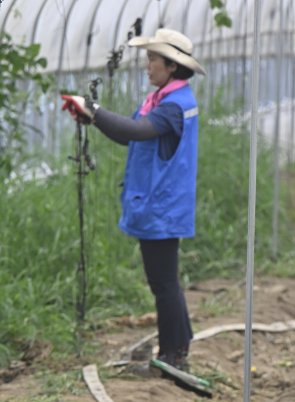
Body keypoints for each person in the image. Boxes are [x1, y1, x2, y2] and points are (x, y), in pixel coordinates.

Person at [60, 29, 203, 370]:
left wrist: (94, 109)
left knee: (163, 282)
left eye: (152, 59)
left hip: (162, 206)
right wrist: (93, 118)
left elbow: (136, 131)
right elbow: (130, 134)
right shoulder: (164, 99)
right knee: (165, 281)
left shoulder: (173, 106)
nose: (147, 65)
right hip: (161, 203)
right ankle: (177, 350)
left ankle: (172, 357)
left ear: (172, 66)